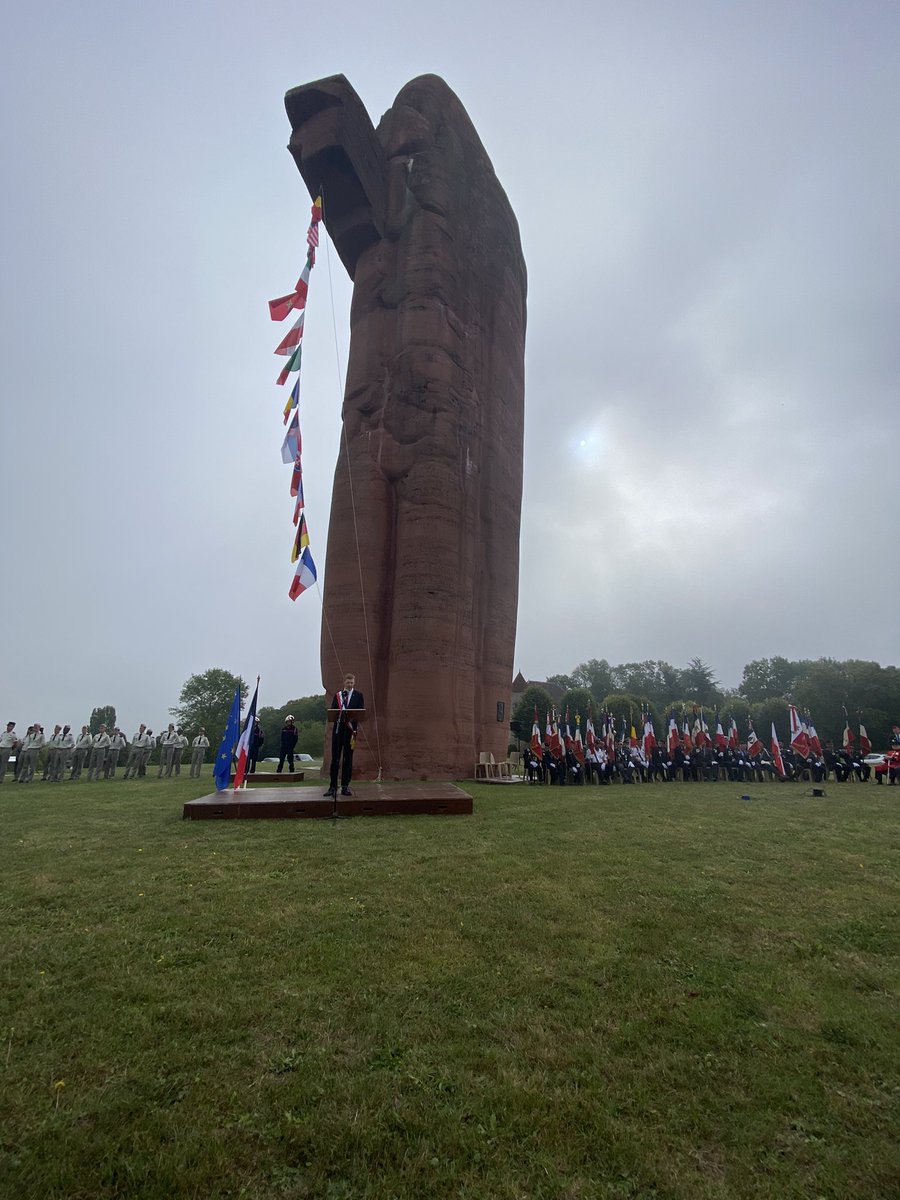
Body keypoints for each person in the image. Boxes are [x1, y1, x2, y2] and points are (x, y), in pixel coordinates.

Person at [324, 673, 364, 797]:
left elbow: (361, 712)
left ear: (354, 683)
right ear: (344, 683)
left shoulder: (358, 696)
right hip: (338, 730)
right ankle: (333, 786)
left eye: (352, 683)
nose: (350, 685)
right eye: (348, 682)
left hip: (350, 731)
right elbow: (333, 711)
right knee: (335, 759)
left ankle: (345, 786)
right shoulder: (338, 696)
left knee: (348, 759)